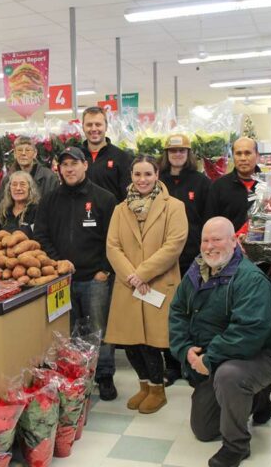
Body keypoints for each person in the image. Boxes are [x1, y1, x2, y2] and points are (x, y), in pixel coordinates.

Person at [169, 217, 271, 467]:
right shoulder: (196, 272)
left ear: (234, 241)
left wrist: (208, 359)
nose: (209, 246)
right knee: (204, 429)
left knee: (229, 376)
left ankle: (236, 446)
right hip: (214, 356)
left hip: (257, 355)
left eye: (217, 239)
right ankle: (258, 398)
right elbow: (177, 311)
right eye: (205, 240)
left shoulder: (251, 279)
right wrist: (185, 349)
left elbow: (248, 332)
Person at [34, 146, 119, 400]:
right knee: (66, 332)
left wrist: (104, 269)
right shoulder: (49, 200)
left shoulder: (104, 198)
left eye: (74, 163)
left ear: (85, 165)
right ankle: (76, 379)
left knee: (98, 331)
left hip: (95, 279)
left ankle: (104, 376)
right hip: (61, 280)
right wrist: (58, 262)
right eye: (65, 165)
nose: (69, 169)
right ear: (59, 169)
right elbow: (41, 235)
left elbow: (114, 238)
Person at [106, 155, 188, 413]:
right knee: (130, 341)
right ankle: (143, 386)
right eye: (137, 174)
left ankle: (157, 390)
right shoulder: (120, 209)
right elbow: (112, 246)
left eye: (148, 174)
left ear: (157, 175)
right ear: (131, 176)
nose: (142, 179)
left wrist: (142, 273)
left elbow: (174, 245)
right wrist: (131, 275)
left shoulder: (174, 206)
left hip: (157, 283)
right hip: (128, 284)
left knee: (152, 342)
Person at [158, 133, 213, 385]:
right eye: (173, 151)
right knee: (170, 313)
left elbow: (208, 219)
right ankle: (171, 365)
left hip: (194, 259)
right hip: (165, 259)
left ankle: (194, 364)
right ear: (166, 154)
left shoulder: (201, 182)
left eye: (182, 150)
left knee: (196, 312)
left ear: (189, 153)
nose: (177, 154)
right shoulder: (158, 181)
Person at [208, 136, 261, 233]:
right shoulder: (219, 187)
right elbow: (211, 223)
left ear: (257, 156)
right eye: (238, 154)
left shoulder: (269, 185)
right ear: (233, 156)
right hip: (229, 242)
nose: (243, 158)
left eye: (248, 153)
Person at [80, 106, 132, 201]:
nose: (94, 129)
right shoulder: (76, 158)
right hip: (81, 210)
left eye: (98, 124)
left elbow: (127, 196)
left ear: (106, 126)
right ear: (83, 127)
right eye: (89, 125)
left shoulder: (122, 158)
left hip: (113, 210)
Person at [0, 170, 40, 237]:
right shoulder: (2, 212)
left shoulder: (37, 212)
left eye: (22, 184)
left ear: (30, 188)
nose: (18, 188)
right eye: (14, 184)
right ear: (9, 189)